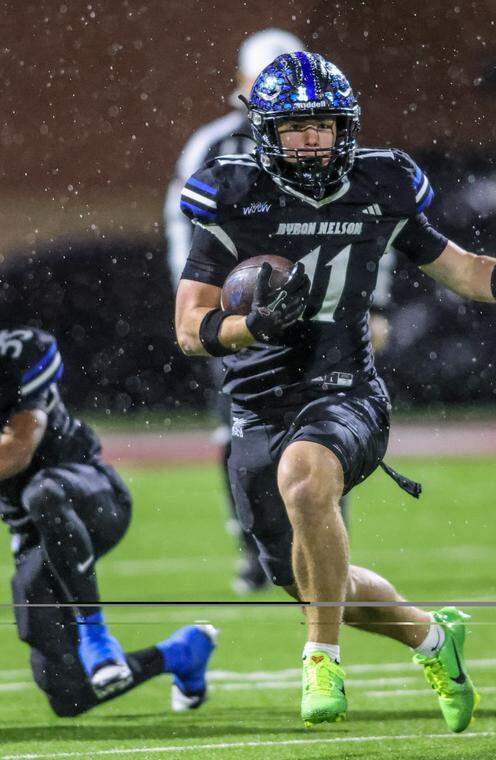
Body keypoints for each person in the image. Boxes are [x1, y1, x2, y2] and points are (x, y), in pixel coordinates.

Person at [172, 52, 496, 729]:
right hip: (258, 397)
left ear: (348, 128)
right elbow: (190, 329)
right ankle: (431, 635)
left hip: (346, 388)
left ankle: (320, 660)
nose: (312, 140)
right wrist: (253, 325)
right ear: (265, 133)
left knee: (306, 481)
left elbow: (466, 272)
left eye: (325, 126)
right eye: (295, 127)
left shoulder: (381, 184)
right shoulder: (232, 195)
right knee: (301, 578)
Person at [0, 326, 217, 717]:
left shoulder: (19, 351)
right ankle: (181, 654)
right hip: (29, 533)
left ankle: (96, 636)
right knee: (67, 694)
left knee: (43, 494)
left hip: (89, 495)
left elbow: (16, 451)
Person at [163, 28, 305, 594]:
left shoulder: (326, 137)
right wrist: (194, 298)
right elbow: (183, 223)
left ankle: (322, 532)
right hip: (235, 311)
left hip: (311, 311)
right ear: (244, 83)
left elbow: (370, 224)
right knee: (238, 430)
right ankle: (254, 544)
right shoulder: (213, 145)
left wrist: (372, 303)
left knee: (322, 421)